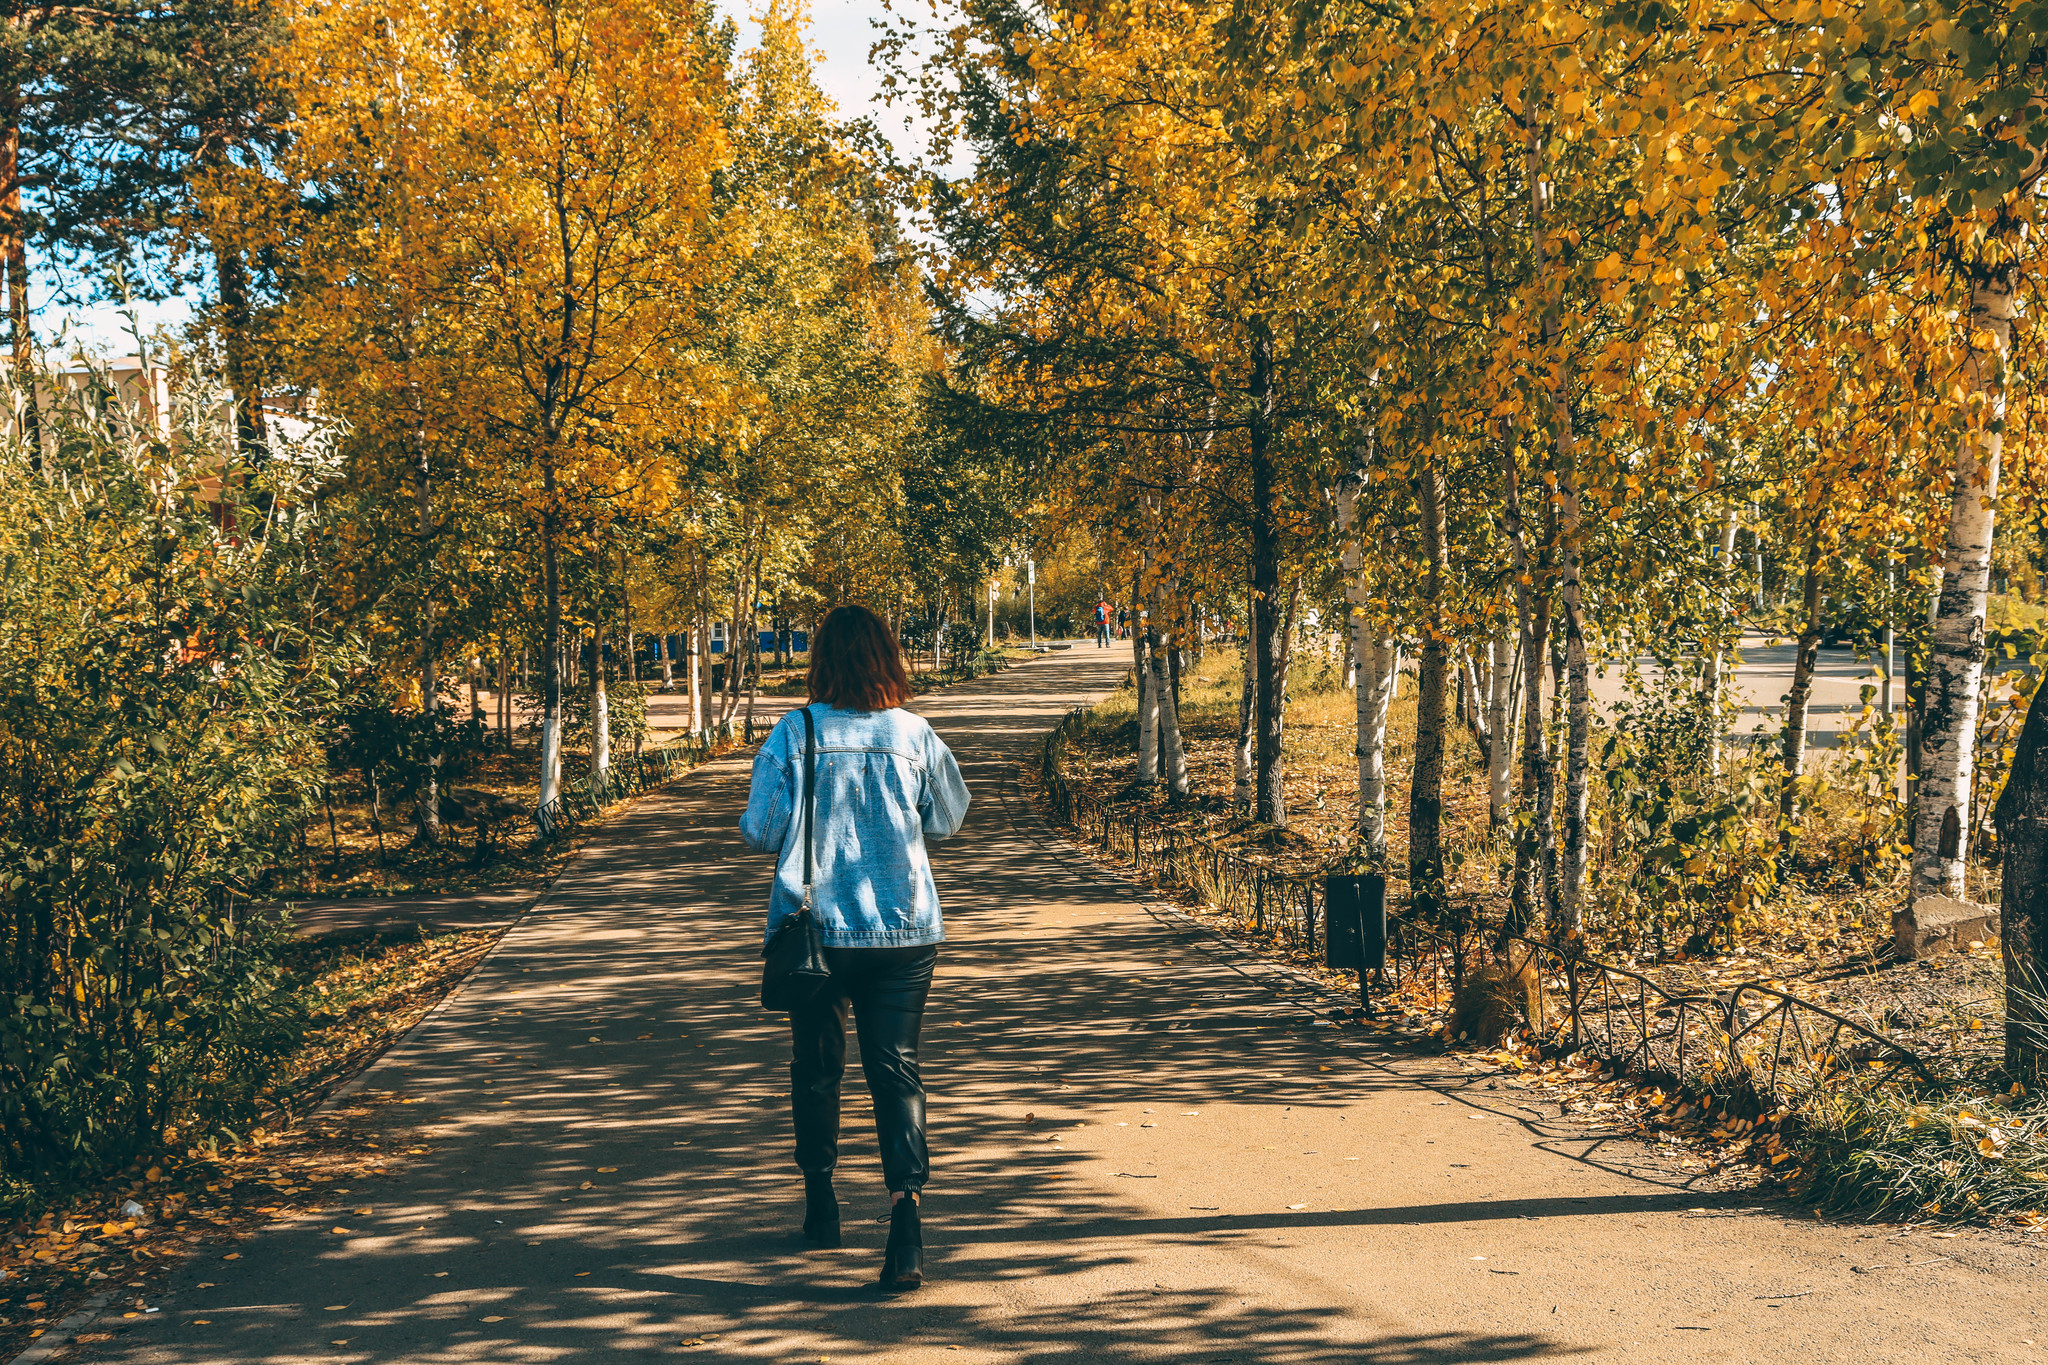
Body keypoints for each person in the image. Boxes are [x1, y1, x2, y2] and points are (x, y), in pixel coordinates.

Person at [740, 604, 970, 1290]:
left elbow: (760, 829)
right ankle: (906, 1224)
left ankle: (822, 1203)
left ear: (823, 662)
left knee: (816, 1067)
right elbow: (949, 818)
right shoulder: (917, 734)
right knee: (895, 1068)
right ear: (887, 659)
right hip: (906, 929)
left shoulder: (796, 731)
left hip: (818, 931)